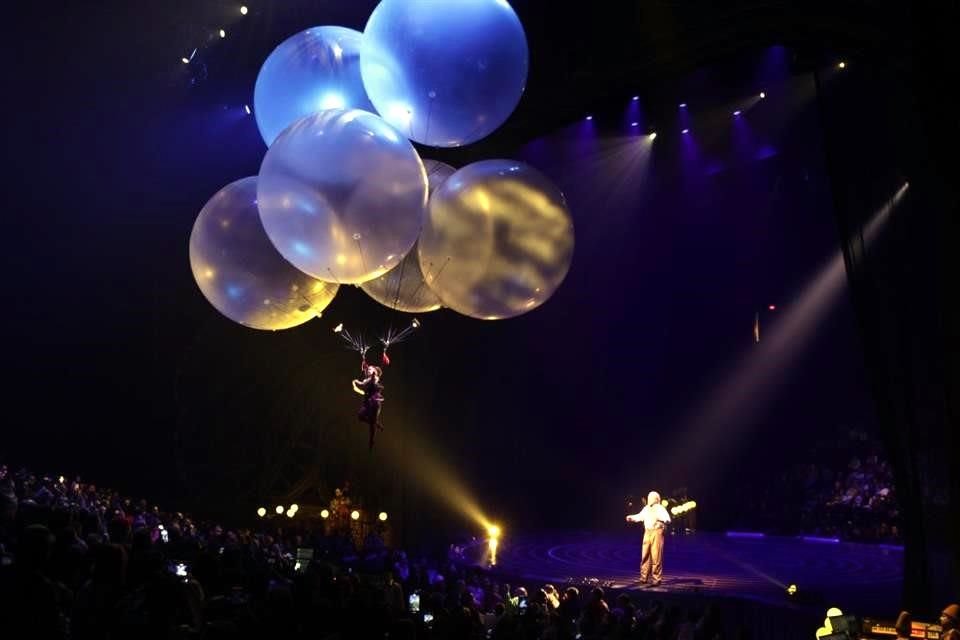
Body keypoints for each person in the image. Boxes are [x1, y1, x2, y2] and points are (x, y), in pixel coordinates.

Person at [625, 490, 671, 586]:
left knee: (656, 556)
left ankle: (656, 579)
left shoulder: (660, 508)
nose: (649, 498)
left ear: (656, 499)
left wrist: (665, 521)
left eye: (651, 497)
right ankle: (643, 578)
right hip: (647, 532)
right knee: (645, 555)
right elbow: (640, 516)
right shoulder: (646, 508)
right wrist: (631, 517)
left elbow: (667, 518)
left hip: (656, 532)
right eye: (649, 496)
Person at [353, 357, 385, 451]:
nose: (369, 370)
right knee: (360, 416)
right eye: (368, 369)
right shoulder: (367, 378)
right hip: (367, 402)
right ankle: (376, 423)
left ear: (375, 372)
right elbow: (363, 382)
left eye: (371, 369)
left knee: (372, 425)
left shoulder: (375, 378)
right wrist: (356, 381)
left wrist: (372, 374)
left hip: (375, 402)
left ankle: (372, 440)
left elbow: (370, 381)